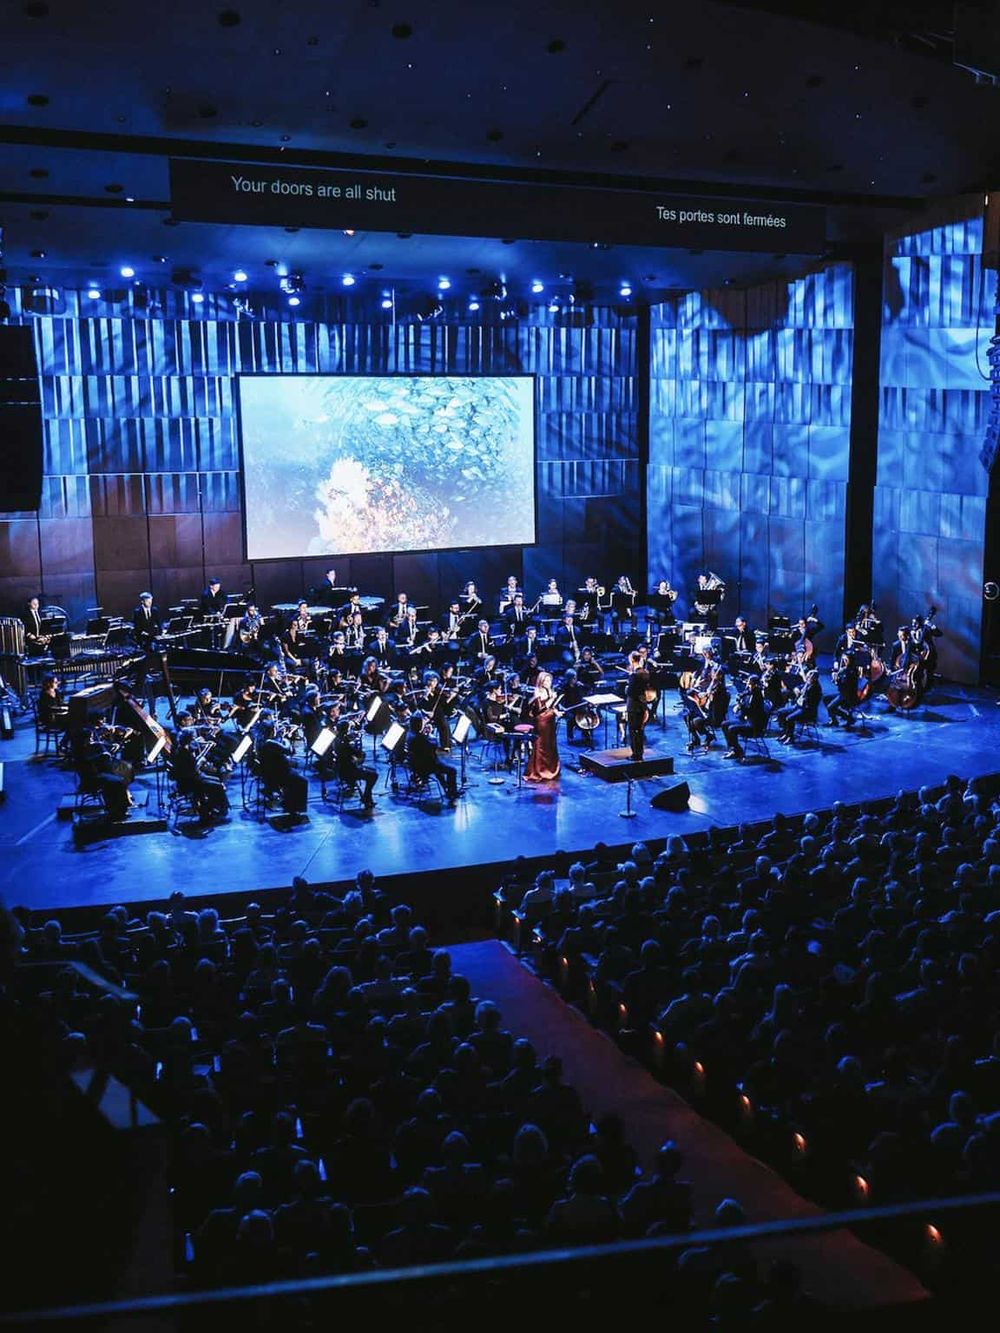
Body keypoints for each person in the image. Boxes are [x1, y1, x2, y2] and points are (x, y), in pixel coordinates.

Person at [172, 728, 230, 823]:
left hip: (192, 778)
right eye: (194, 737)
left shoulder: (182, 749)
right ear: (189, 739)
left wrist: (204, 753)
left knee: (217, 780)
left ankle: (214, 808)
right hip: (190, 782)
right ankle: (212, 811)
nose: (195, 739)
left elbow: (193, 764)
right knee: (217, 785)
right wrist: (200, 761)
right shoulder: (184, 753)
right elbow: (194, 768)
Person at [405, 714, 459, 801]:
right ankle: (453, 793)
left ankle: (447, 789)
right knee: (452, 770)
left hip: (414, 764)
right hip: (424, 767)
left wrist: (424, 734)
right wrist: (430, 734)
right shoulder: (420, 739)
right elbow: (433, 746)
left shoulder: (410, 734)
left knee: (439, 766)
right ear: (419, 725)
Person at [329, 718, 376, 809]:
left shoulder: (336, 740)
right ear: (346, 730)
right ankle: (366, 797)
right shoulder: (346, 744)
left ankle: (366, 796)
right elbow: (359, 754)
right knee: (374, 775)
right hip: (349, 773)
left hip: (341, 770)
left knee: (371, 771)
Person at [722, 674, 769, 760]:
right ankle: (733, 749)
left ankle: (738, 751)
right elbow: (744, 700)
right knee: (724, 724)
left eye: (749, 683)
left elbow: (751, 710)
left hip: (754, 724)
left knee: (732, 729)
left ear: (755, 684)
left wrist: (740, 706)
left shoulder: (757, 695)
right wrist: (740, 700)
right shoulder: (750, 691)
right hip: (746, 719)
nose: (747, 685)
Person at [525, 671, 560, 782]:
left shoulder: (549, 690)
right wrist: (552, 699)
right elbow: (541, 709)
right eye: (546, 681)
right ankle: (540, 770)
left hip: (550, 720)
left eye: (550, 680)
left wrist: (556, 712)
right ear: (541, 681)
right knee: (542, 745)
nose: (548, 683)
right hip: (542, 721)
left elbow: (551, 707)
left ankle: (550, 768)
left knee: (550, 744)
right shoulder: (538, 692)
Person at [625, 650, 650, 762]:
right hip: (642, 705)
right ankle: (640, 752)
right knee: (639, 730)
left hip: (633, 706)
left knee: (633, 730)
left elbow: (630, 692)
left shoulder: (634, 675)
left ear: (632, 660)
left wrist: (627, 685)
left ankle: (635, 754)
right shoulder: (644, 673)